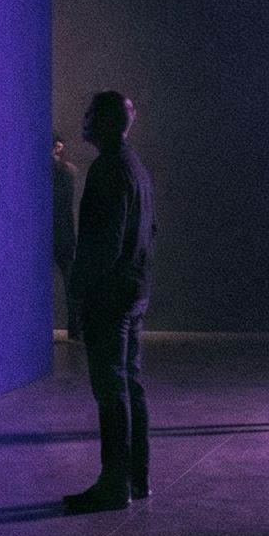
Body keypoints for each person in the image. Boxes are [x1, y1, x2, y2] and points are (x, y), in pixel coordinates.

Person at [64, 90, 155, 512]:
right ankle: (137, 479)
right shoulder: (135, 167)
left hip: (112, 296)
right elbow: (149, 230)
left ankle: (114, 484)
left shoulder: (108, 169)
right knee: (129, 385)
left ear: (103, 122)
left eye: (88, 115)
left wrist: (82, 289)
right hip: (134, 289)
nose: (82, 121)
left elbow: (105, 244)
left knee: (111, 389)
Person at [52, 133, 79, 340]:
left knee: (70, 282)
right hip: (64, 234)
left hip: (56, 234)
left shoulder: (62, 173)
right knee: (71, 282)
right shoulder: (68, 172)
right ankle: (75, 329)